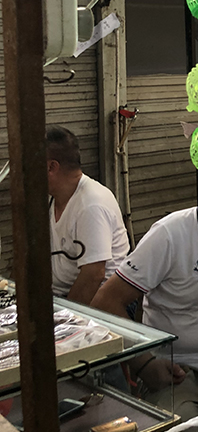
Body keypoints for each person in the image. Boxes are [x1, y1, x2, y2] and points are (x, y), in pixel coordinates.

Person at [91, 194, 198, 432]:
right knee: (179, 431)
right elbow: (105, 302)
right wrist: (144, 364)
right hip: (181, 373)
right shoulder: (171, 233)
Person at [47, 125, 129, 304]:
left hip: (101, 300)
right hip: (60, 295)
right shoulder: (52, 199)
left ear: (51, 167)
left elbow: (94, 275)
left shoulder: (91, 204)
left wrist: (65, 316)